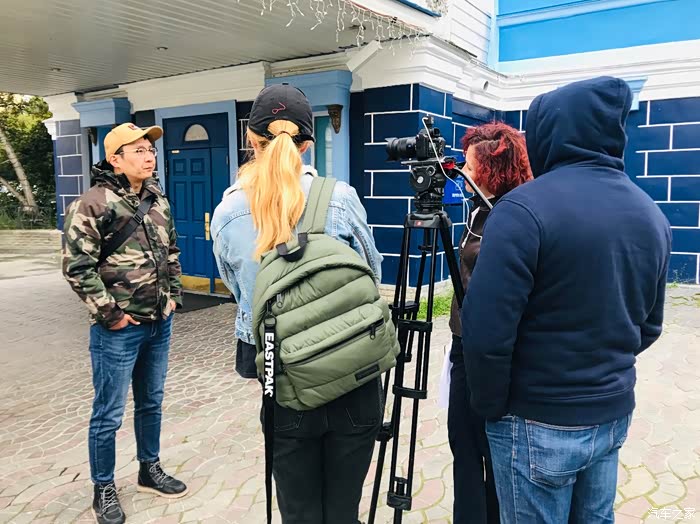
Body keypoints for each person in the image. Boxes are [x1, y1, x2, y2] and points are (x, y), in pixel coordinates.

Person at [461, 76, 672, 523]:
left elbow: (485, 333)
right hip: (611, 413)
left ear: (548, 133)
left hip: (534, 419)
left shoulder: (521, 211)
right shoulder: (651, 213)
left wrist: (491, 407)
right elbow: (649, 326)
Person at [211, 83, 384, 523]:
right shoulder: (340, 198)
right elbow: (371, 275)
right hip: (353, 373)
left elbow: (242, 297)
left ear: (251, 140)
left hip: (283, 381)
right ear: (306, 144)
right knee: (343, 509)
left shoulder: (228, 213)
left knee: (298, 512)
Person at [63, 123, 188, 524]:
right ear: (115, 160)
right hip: (118, 330)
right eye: (138, 151)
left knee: (151, 402)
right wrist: (112, 315)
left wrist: (173, 297)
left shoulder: (157, 198)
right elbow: (77, 267)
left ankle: (149, 469)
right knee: (109, 414)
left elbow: (171, 250)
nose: (149, 156)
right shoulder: (92, 204)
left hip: (158, 322)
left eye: (150, 150)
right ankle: (103, 487)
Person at [446, 122, 532, 524]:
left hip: (491, 348)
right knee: (462, 442)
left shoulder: (511, 216)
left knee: (489, 446)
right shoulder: (479, 209)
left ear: (493, 170)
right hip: (464, 342)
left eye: (470, 166)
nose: (463, 173)